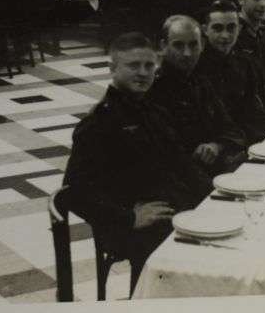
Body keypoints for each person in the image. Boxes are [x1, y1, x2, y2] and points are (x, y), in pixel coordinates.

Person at [63, 32, 212, 294]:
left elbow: (180, 163)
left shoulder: (152, 110)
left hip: (170, 207)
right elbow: (74, 193)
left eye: (149, 65)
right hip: (134, 225)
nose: (143, 73)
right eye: (133, 66)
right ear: (112, 69)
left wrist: (213, 196)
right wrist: (128, 217)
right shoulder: (99, 123)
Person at [149, 15, 246, 172]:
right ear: (163, 46)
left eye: (193, 45)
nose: (187, 53)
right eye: (178, 45)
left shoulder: (201, 82)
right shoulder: (154, 90)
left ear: (202, 45)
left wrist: (216, 146)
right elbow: (164, 155)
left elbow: (233, 130)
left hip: (214, 170)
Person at [196, 0, 265, 144]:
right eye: (218, 28)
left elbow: (253, 107)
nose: (225, 36)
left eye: (231, 28)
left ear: (239, 29)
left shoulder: (244, 62)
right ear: (205, 30)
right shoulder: (197, 68)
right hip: (222, 143)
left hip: (248, 137)